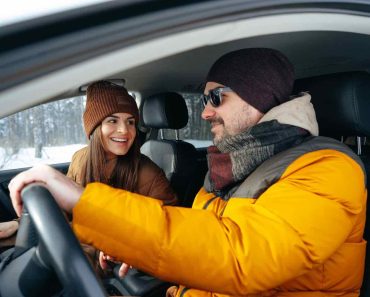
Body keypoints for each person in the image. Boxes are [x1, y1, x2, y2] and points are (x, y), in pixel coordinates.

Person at [9, 48, 366, 297]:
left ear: (258, 95)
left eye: (216, 98)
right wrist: (129, 248)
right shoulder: (230, 166)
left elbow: (240, 255)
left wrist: (86, 204)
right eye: (203, 101)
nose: (206, 113)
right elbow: (198, 240)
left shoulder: (329, 168)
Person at [69, 81, 177, 277]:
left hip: (116, 271)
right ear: (94, 127)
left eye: (130, 122)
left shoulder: (149, 173)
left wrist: (125, 247)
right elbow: (65, 209)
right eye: (112, 120)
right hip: (75, 254)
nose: (124, 130)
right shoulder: (80, 159)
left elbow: (171, 231)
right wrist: (20, 224)